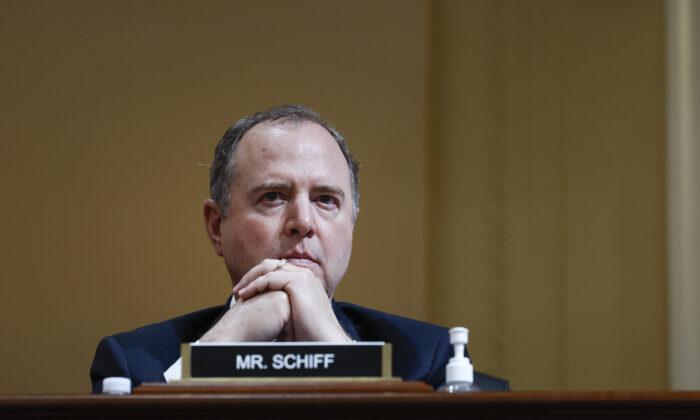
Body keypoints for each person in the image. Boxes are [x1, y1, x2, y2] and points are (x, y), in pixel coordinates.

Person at [90, 104, 509, 392]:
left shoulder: (426, 361)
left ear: (351, 223)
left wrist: (337, 350)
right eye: (273, 196)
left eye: (326, 199)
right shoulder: (137, 364)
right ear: (217, 227)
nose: (303, 222)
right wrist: (221, 346)